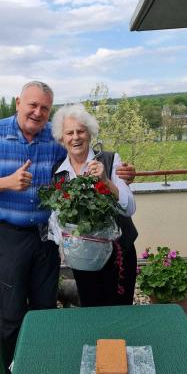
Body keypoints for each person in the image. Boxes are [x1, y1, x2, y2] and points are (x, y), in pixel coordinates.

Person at [0, 81, 135, 374]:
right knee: (13, 312)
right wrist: (6, 182)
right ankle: (14, 371)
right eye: (32, 105)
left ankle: (42, 368)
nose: (38, 112)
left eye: (44, 108)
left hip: (46, 240)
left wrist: (124, 175)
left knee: (45, 308)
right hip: (9, 236)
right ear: (18, 103)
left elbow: (86, 160)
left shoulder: (53, 142)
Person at [50, 104, 138, 307]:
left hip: (118, 255)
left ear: (90, 133)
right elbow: (56, 218)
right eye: (69, 133)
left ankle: (118, 340)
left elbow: (129, 208)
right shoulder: (59, 172)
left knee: (119, 310)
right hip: (83, 258)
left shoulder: (110, 160)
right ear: (62, 139)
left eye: (81, 131)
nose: (76, 137)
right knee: (90, 308)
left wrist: (106, 181)